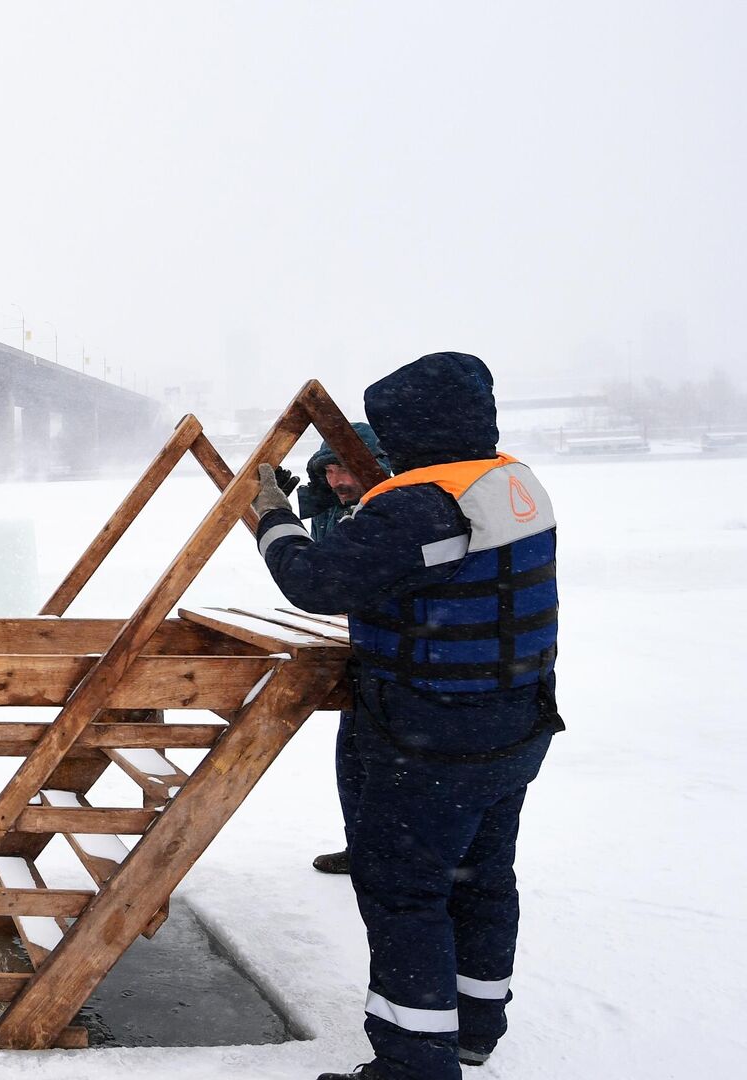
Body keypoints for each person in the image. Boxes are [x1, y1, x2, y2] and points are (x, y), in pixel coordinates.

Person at [249, 353, 561, 1080]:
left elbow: (316, 579)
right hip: (515, 723)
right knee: (482, 877)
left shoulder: (417, 506)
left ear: (411, 429)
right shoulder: (513, 482)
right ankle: (476, 1027)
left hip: (431, 737)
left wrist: (269, 514)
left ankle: (415, 1064)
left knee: (406, 894)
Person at [292, 423, 390, 877]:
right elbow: (319, 574)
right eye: (329, 470)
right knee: (352, 754)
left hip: (399, 656)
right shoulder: (333, 506)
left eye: (347, 467)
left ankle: (391, 857)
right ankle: (365, 848)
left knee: (386, 761)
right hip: (360, 647)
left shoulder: (392, 510)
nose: (338, 480)